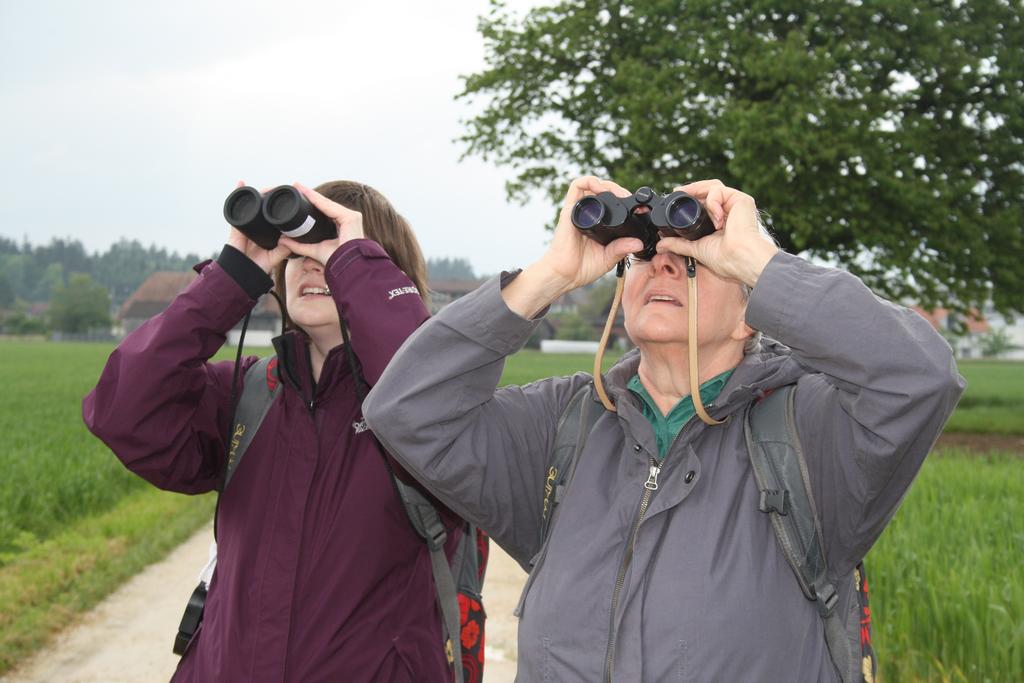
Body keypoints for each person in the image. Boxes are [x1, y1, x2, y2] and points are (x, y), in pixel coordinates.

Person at [363, 177, 965, 681]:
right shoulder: (566, 424)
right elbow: (406, 410)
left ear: (753, 314)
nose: (665, 263)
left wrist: (758, 258)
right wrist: (549, 275)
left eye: (696, 258)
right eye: (645, 254)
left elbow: (919, 377)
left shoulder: (808, 432)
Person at [82, 181, 460, 682]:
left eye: (335, 251)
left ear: (386, 276)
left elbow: (433, 392)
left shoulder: (428, 413)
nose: (311, 264)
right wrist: (228, 281)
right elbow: (120, 409)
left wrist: (360, 274)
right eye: (298, 252)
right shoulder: (247, 394)